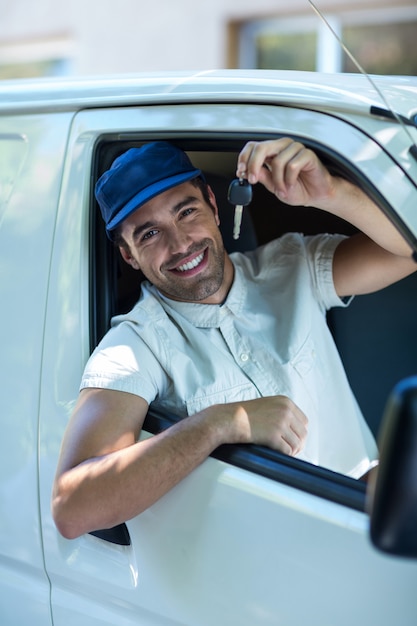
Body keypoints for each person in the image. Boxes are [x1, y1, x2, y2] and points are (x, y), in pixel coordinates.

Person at [52, 138, 416, 540]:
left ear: (212, 203)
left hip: (371, 514)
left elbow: (408, 251)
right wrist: (219, 422)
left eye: (186, 211)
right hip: (274, 564)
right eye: (150, 234)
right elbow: (73, 508)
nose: (181, 244)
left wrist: (331, 192)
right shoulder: (134, 345)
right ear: (129, 256)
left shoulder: (292, 266)